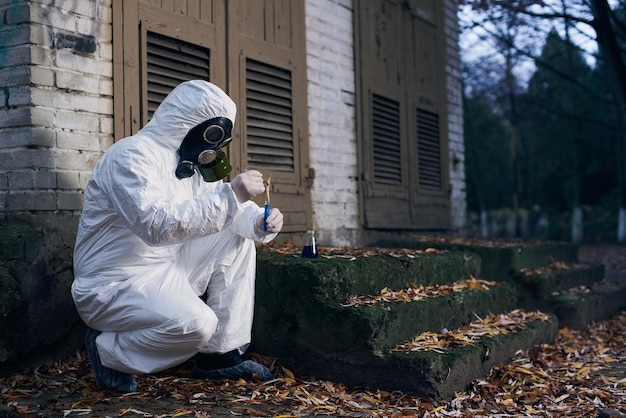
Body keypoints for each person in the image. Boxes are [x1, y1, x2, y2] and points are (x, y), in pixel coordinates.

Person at [71, 80, 284, 393]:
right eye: (212, 134)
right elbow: (155, 225)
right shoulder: (130, 156)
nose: (215, 145)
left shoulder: (189, 165)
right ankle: (109, 351)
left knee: (238, 238)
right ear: (188, 122)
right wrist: (233, 193)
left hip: (166, 269)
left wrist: (261, 222)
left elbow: (227, 211)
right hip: (113, 283)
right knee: (197, 324)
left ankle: (219, 355)